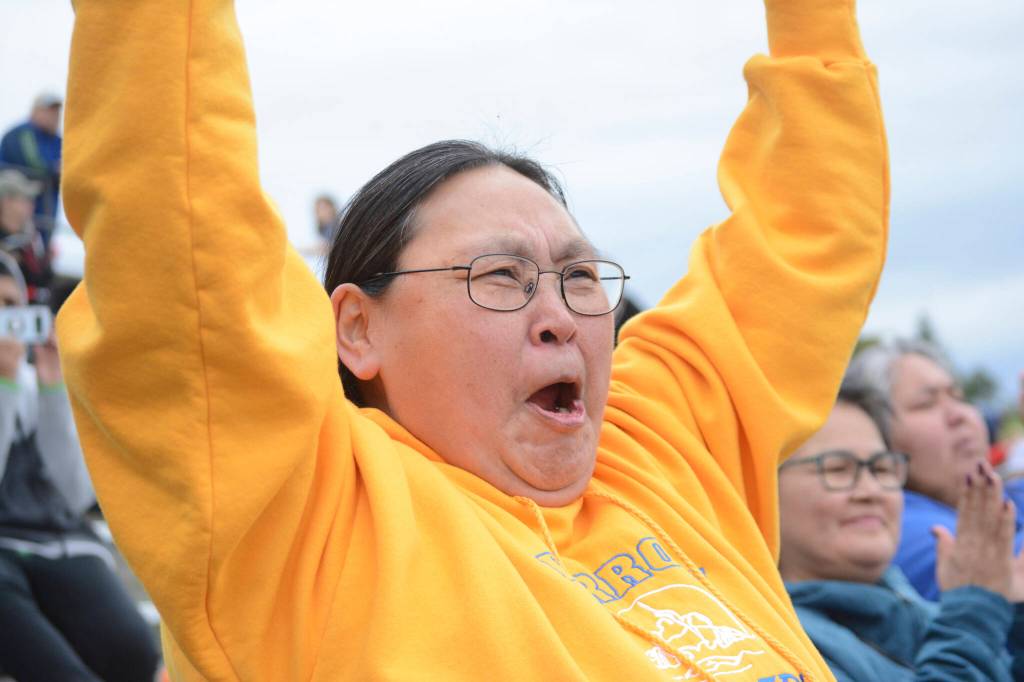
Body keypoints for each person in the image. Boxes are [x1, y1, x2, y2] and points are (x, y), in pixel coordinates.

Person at [57, 0, 888, 679]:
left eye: (579, 275)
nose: (560, 314)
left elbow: (805, 236)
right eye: (500, 275)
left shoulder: (662, 447)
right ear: (356, 328)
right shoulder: (301, 522)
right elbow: (177, 221)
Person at [779, 382, 1024, 681]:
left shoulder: (914, 609)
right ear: (762, 491)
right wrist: (973, 613)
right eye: (837, 469)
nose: (871, 491)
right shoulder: (770, 645)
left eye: (881, 468)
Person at [0, 253, 161, 682]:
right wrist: (5, 387)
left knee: (135, 654)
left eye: (11, 305)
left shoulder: (33, 383)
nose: (5, 320)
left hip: (58, 542)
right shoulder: (13, 385)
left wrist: (53, 386)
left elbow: (73, 493)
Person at [847, 339, 1024, 600]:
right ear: (875, 435)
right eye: (926, 403)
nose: (960, 415)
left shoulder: (1000, 496)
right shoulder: (898, 526)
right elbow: (1007, 573)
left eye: (958, 396)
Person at [0, 93, 63, 244]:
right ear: (35, 111)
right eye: (49, 111)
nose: (54, 116)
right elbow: (35, 163)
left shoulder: (58, 141)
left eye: (57, 112)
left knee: (36, 247)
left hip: (45, 216)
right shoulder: (22, 133)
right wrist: (55, 169)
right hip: (16, 215)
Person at [0, 168, 55, 303]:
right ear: (7, 202)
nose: (31, 206)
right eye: (25, 200)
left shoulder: (31, 239)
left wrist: (46, 262)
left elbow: (42, 284)